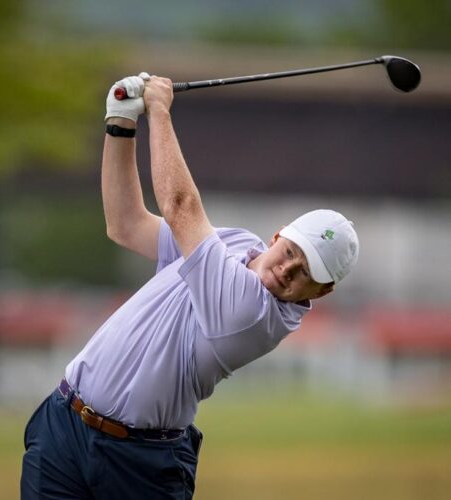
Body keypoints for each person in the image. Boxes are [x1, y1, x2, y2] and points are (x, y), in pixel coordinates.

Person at [21, 73, 359, 499]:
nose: (288, 269)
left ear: (320, 292)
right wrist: (121, 124)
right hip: (64, 426)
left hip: (140, 463)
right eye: (292, 251)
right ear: (277, 236)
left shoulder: (254, 314)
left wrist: (159, 111)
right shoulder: (235, 244)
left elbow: (181, 207)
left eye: (306, 271)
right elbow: (126, 225)